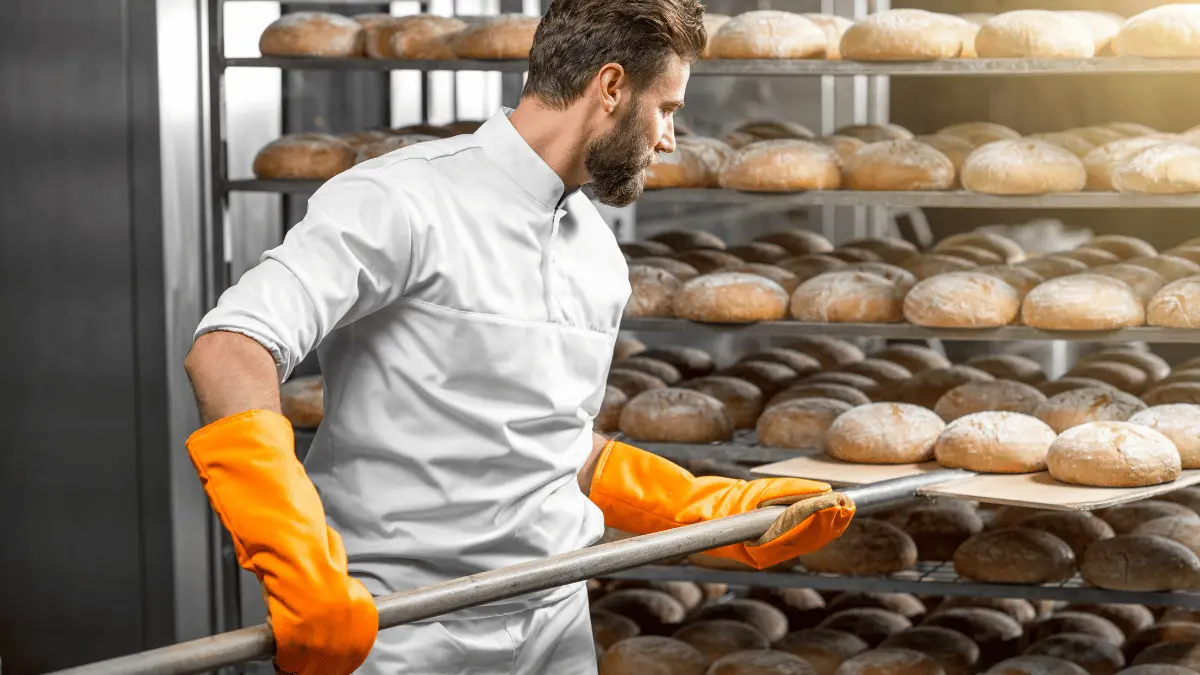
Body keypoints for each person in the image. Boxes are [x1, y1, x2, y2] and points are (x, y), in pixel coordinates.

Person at [182, 0, 855, 673]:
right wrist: (294, 555)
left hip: (554, 623)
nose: (670, 139)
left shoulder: (596, 248)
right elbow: (230, 346)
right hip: (402, 628)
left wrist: (703, 506)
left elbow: (553, 439)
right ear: (611, 87)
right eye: (668, 108)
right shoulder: (401, 200)